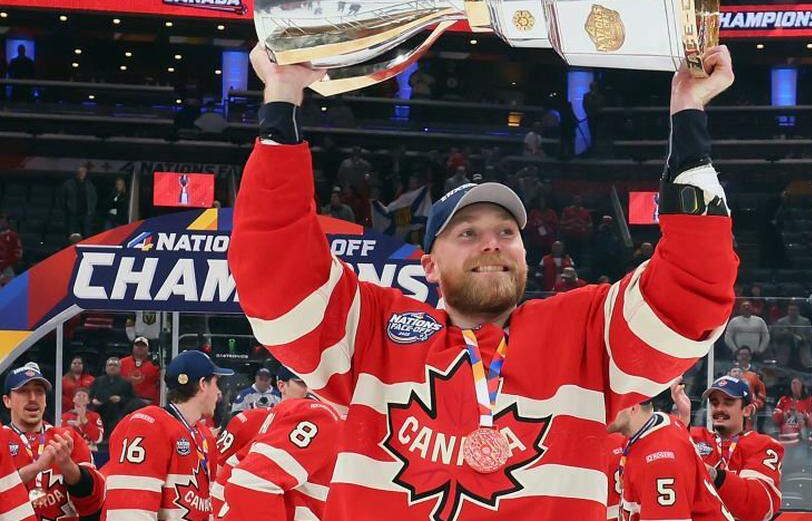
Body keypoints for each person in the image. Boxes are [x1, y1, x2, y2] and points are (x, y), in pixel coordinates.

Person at [229, 42, 738, 521]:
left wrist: (688, 119)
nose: (491, 243)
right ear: (428, 265)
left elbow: (690, 293)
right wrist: (282, 98)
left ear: (524, 252)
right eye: (468, 233)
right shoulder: (374, 333)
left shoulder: (582, 332)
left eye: (505, 232)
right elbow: (277, 272)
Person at [102, 350, 233, 521]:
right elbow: (128, 512)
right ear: (203, 384)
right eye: (216, 383)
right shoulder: (147, 424)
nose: (218, 393)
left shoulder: (203, 435)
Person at [223, 367, 341, 521]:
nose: (306, 389)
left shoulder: (279, 413)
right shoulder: (321, 415)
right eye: (301, 383)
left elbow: (229, 473)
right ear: (281, 385)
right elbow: (245, 479)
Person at [1, 363, 105, 521]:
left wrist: (69, 467)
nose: (33, 398)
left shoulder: (67, 437)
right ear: (7, 401)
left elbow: (94, 501)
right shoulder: (2, 439)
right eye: (23, 391)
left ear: (46, 400)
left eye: (39, 391)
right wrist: (37, 467)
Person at [672, 377, 783, 521]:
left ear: (747, 410)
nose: (719, 409)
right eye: (714, 403)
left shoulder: (763, 445)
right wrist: (683, 419)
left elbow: (759, 507)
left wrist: (714, 475)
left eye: (728, 403)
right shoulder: (695, 437)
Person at [607, 399, 732, 521]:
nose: (602, 412)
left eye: (608, 404)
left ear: (633, 407)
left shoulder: (660, 461)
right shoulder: (660, 422)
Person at [88, 357, 134, 435]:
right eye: (110, 365)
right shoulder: (97, 381)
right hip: (100, 413)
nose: (112, 367)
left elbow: (132, 400)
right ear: (106, 367)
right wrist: (93, 401)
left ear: (120, 368)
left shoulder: (126, 383)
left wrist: (120, 399)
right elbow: (89, 397)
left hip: (118, 414)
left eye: (115, 365)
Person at [771, 302, 812, 371]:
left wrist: (803, 337)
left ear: (798, 311)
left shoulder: (805, 322)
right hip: (785, 353)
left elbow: (811, 336)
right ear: (788, 311)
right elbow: (775, 336)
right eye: (791, 310)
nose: (792, 312)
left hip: (802, 353)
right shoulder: (781, 322)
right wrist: (785, 333)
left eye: (794, 310)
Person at [60, 388, 102, 453]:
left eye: (84, 396)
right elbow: (61, 436)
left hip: (90, 451)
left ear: (88, 401)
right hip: (71, 451)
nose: (81, 398)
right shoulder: (65, 416)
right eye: (79, 395)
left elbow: (98, 439)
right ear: (73, 399)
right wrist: (75, 427)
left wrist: (85, 421)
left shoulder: (95, 416)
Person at [120, 337, 159, 404]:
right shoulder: (122, 363)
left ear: (148, 348)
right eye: (137, 345)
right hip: (125, 400)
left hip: (147, 401)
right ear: (132, 347)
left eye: (143, 345)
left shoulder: (155, 365)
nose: (140, 347)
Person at [61, 166, 97, 238]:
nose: (82, 174)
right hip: (73, 213)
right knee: (72, 234)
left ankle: (86, 248)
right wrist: (67, 209)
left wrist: (91, 210)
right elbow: (62, 198)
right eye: (80, 172)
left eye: (84, 172)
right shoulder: (69, 184)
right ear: (77, 173)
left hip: (86, 213)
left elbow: (94, 197)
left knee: (86, 234)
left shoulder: (89, 184)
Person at [559, 195, 593, 263]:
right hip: (569, 236)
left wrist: (582, 224)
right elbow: (562, 223)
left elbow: (590, 225)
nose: (578, 201)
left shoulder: (585, 212)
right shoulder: (567, 210)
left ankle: (577, 266)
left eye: (579, 200)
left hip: (580, 237)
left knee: (578, 254)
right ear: (573, 201)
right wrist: (572, 221)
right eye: (576, 200)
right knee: (569, 253)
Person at [0, 212, 22, 285]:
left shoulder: (13, 235)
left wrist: (4, 264)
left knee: (9, 290)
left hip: (7, 268)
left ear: (7, 222)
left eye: (2, 220)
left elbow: (18, 254)